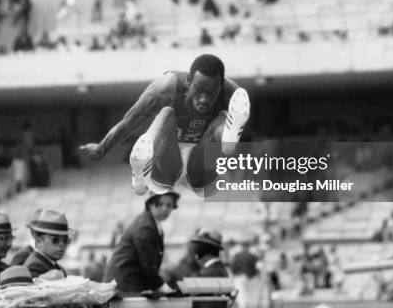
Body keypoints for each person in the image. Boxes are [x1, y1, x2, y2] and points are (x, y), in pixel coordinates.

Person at [80, 54, 250, 195]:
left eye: (212, 92)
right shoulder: (165, 88)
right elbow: (130, 121)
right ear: (188, 81)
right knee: (166, 114)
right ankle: (143, 165)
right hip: (167, 161)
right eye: (198, 90)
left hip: (200, 165)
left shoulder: (231, 93)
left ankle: (228, 139)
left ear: (220, 86)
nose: (204, 99)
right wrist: (102, 148)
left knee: (223, 116)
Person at [103, 191, 179, 295]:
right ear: (150, 205)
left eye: (169, 205)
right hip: (124, 285)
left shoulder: (153, 224)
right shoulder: (145, 227)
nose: (165, 209)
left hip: (128, 283)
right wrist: (162, 287)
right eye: (160, 204)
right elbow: (148, 264)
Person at [24, 210, 71, 278]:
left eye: (65, 240)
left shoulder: (54, 265)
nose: (62, 244)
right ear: (39, 240)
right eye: (55, 239)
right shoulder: (35, 267)